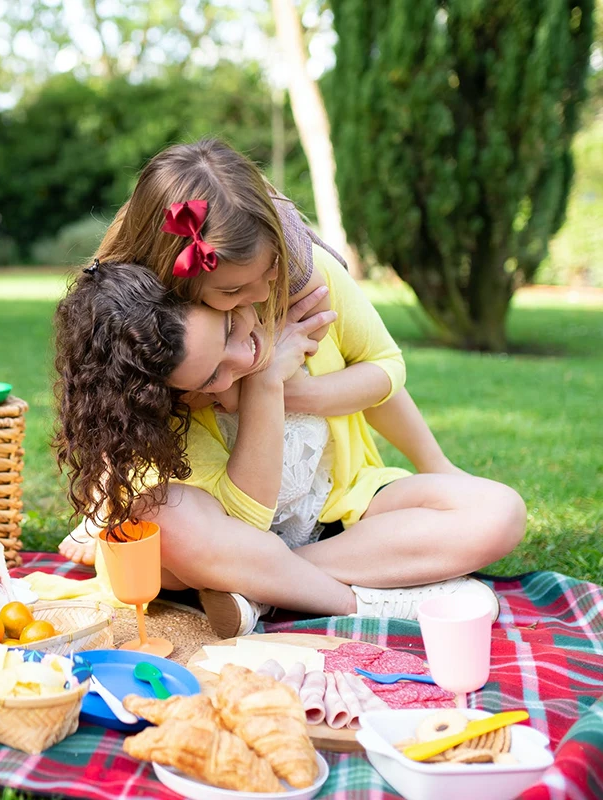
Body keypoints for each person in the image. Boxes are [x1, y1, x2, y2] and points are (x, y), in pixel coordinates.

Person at [56, 139, 526, 636]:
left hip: (337, 507)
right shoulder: (162, 348)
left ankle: (261, 587)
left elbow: (385, 370)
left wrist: (290, 389)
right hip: (228, 529)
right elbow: (241, 522)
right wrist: (262, 383)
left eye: (269, 272)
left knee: (498, 512)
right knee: (163, 523)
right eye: (231, 295)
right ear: (177, 287)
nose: (260, 295)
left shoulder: (305, 282)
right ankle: (360, 598)